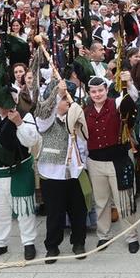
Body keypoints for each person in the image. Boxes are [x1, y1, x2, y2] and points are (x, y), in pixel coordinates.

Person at [0, 79, 42, 262]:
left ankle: (28, 242)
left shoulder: (24, 116)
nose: (5, 107)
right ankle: (0, 243)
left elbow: (31, 141)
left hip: (19, 171)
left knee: (24, 209)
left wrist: (19, 123)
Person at [34, 79, 89, 263]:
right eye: (64, 98)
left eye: (67, 98)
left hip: (74, 173)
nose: (67, 102)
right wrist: (57, 96)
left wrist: (83, 164)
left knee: (78, 210)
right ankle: (52, 246)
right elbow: (43, 123)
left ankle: (78, 242)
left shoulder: (74, 117)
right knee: (54, 213)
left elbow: (82, 141)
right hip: (52, 174)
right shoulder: (45, 117)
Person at [84, 75, 140, 253]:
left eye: (100, 90)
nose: (97, 94)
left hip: (118, 160)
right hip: (95, 162)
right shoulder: (85, 111)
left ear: (106, 90)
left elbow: (131, 102)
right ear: (89, 93)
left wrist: (127, 83)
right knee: (101, 202)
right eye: (93, 91)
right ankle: (103, 236)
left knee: (123, 201)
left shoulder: (116, 104)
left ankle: (131, 236)